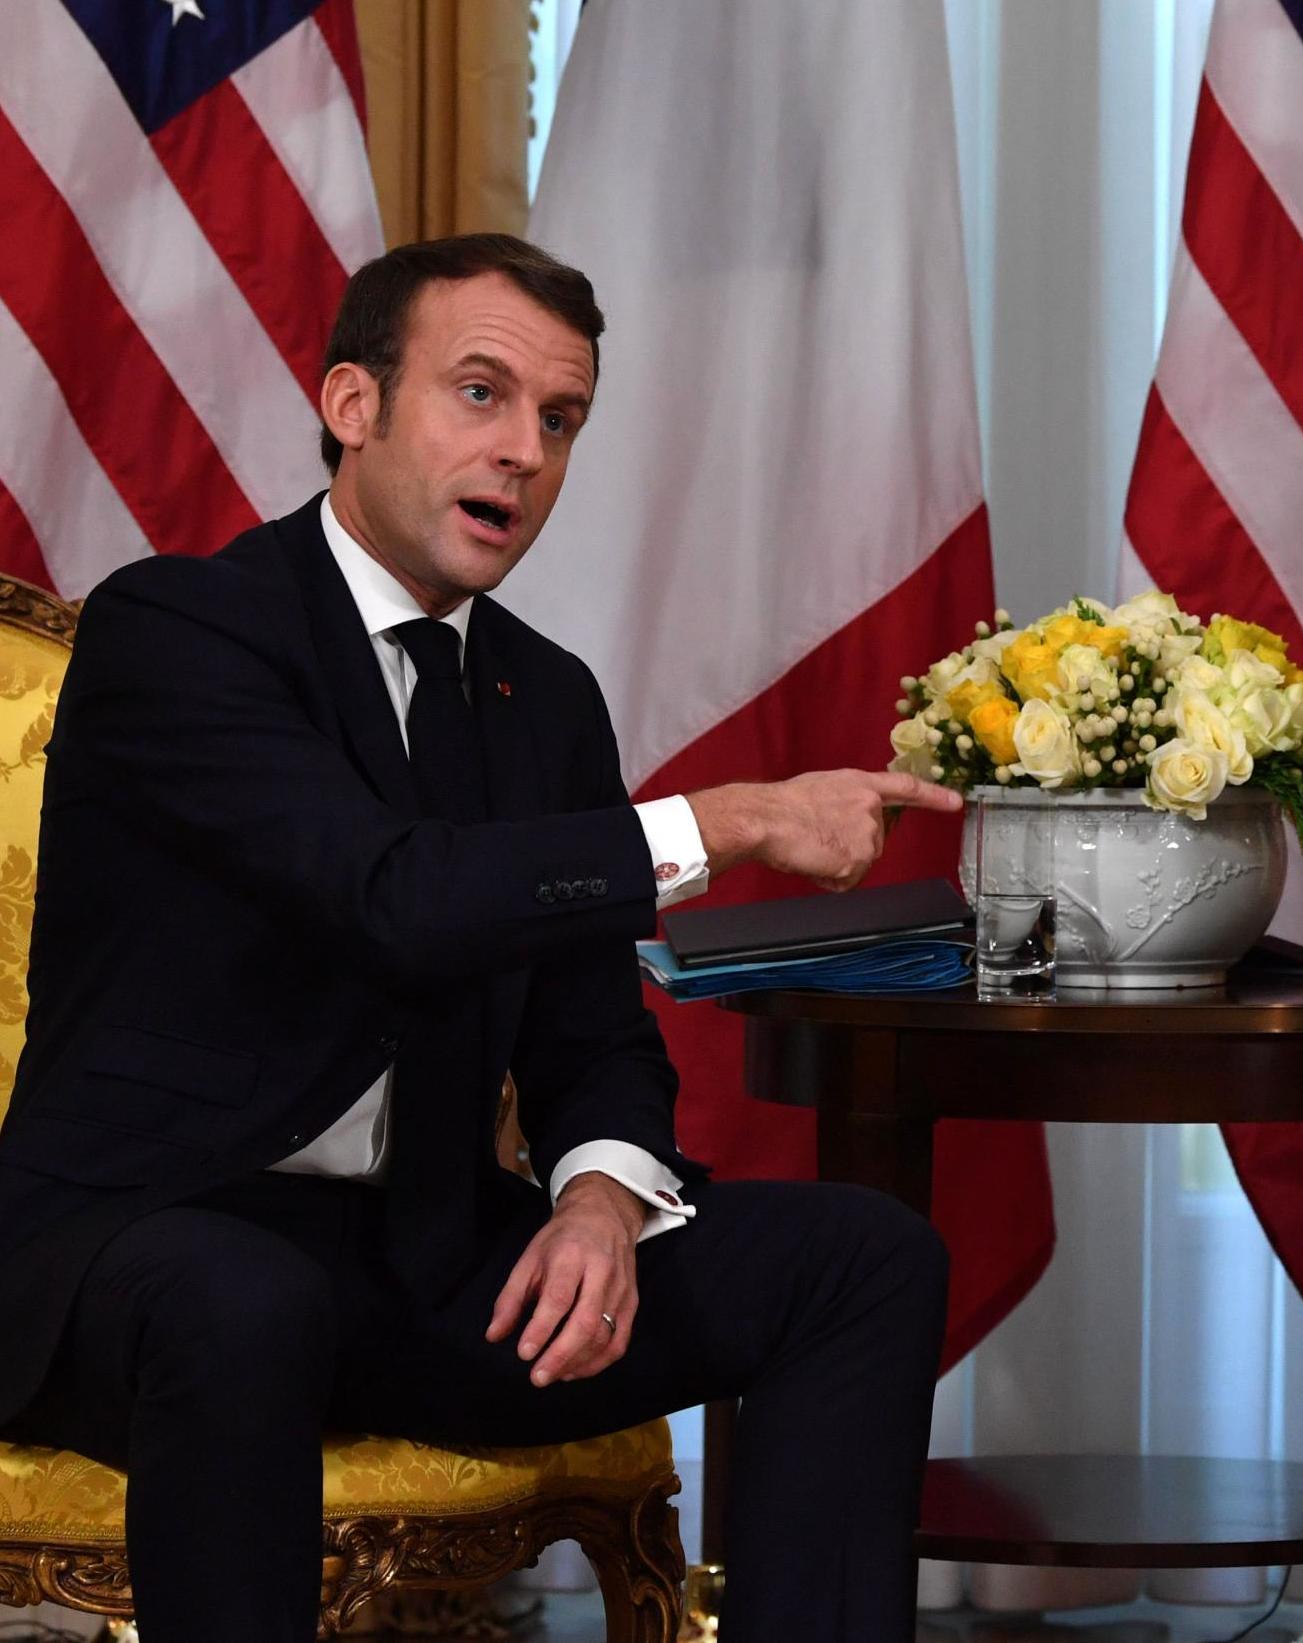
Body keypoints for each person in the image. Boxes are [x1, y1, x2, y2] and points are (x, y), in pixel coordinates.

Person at [0, 234, 966, 1641]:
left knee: (860, 1259)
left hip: (425, 1266)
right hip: (143, 1244)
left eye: (558, 420)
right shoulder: (182, 629)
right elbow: (394, 895)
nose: (522, 451)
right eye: (478, 393)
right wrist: (732, 819)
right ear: (352, 405)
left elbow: (593, 1036)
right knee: (245, 1300)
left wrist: (596, 1199)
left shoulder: (545, 699)